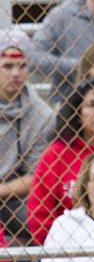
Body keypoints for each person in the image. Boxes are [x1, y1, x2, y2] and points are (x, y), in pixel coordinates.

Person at [26, 77, 94, 246]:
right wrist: (57, 245)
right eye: (91, 105)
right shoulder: (57, 154)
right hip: (68, 246)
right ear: (78, 113)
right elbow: (39, 212)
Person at [0, 30, 54, 242]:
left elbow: (36, 175)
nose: (16, 74)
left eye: (22, 66)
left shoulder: (43, 115)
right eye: (7, 66)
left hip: (14, 197)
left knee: (46, 224)